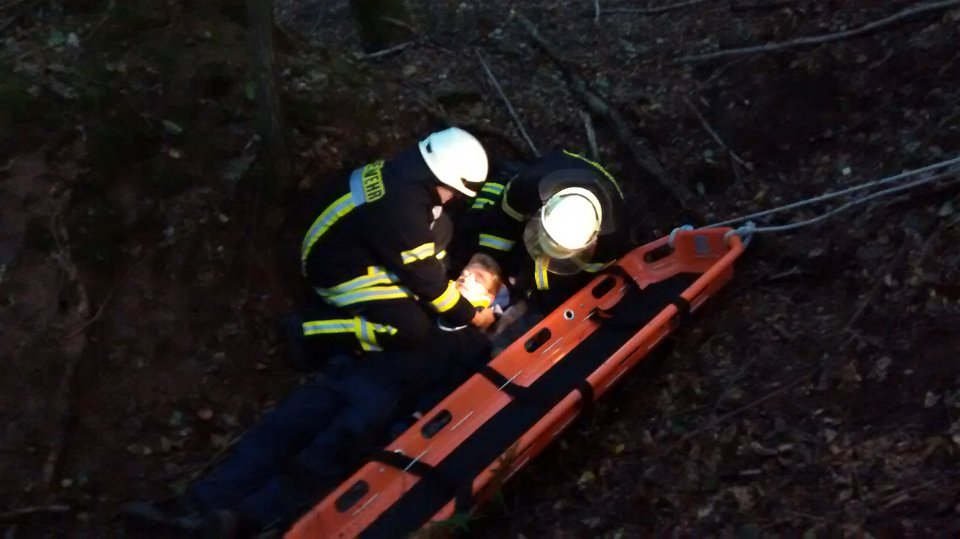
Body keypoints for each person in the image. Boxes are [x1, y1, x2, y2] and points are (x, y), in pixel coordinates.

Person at [121, 259, 507, 538]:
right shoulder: (421, 300)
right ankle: (194, 504)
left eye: (477, 279)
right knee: (275, 433)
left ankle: (239, 520)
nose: (463, 278)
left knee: (315, 462)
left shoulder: (471, 345)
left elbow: (448, 392)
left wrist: (408, 425)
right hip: (350, 375)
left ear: (489, 302)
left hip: (377, 405)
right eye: (465, 271)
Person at [294, 127, 497, 360]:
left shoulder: (408, 169)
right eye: (455, 193)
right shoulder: (404, 211)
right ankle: (309, 330)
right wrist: (471, 315)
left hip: (341, 237)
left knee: (443, 227)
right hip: (334, 270)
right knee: (410, 329)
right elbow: (428, 284)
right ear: (444, 178)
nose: (454, 198)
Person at [458, 149, 628, 311]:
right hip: (557, 167)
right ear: (543, 209)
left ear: (591, 243)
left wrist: (530, 299)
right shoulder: (528, 187)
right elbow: (503, 220)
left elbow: (578, 282)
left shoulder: (610, 244)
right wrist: (487, 259)